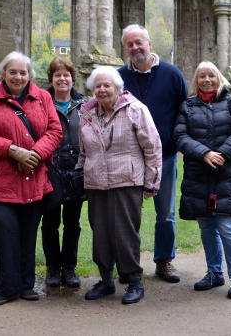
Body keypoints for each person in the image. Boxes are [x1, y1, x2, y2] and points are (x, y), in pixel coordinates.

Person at [0, 51, 62, 306]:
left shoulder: (43, 97)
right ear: (3, 74)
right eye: (13, 72)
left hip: (34, 177)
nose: (18, 76)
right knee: (5, 231)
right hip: (2, 179)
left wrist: (34, 153)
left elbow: (55, 131)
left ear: (30, 75)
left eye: (23, 72)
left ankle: (26, 285)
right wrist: (13, 150)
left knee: (28, 233)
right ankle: (5, 287)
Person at [77, 66, 162, 305]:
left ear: (118, 88)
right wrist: (79, 176)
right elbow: (84, 151)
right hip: (95, 182)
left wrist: (151, 183)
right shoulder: (87, 113)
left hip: (127, 180)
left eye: (107, 85)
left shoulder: (135, 109)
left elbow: (152, 147)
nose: (102, 90)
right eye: (98, 86)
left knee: (125, 233)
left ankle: (134, 280)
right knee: (100, 232)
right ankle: (105, 280)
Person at [173, 61, 231, 299]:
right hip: (199, 173)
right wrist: (204, 153)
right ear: (196, 81)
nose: (206, 80)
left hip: (226, 173)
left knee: (226, 226)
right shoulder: (187, 106)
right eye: (201, 76)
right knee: (207, 226)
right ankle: (214, 273)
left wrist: (222, 154)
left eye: (211, 75)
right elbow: (179, 135)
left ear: (219, 78)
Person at [118, 24, 187, 283]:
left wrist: (178, 142)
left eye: (139, 42)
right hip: (129, 158)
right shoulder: (118, 77)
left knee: (165, 213)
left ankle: (164, 261)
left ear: (150, 44)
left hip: (165, 157)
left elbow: (184, 111)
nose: (135, 48)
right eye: (130, 44)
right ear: (125, 48)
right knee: (128, 213)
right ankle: (129, 265)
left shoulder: (172, 74)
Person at [41, 57, 87, 288]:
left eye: (66, 75)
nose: (62, 79)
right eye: (57, 75)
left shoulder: (84, 105)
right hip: (50, 172)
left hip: (76, 173)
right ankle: (52, 267)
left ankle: (69, 267)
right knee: (50, 222)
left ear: (72, 79)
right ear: (51, 78)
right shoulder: (41, 102)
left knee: (72, 223)